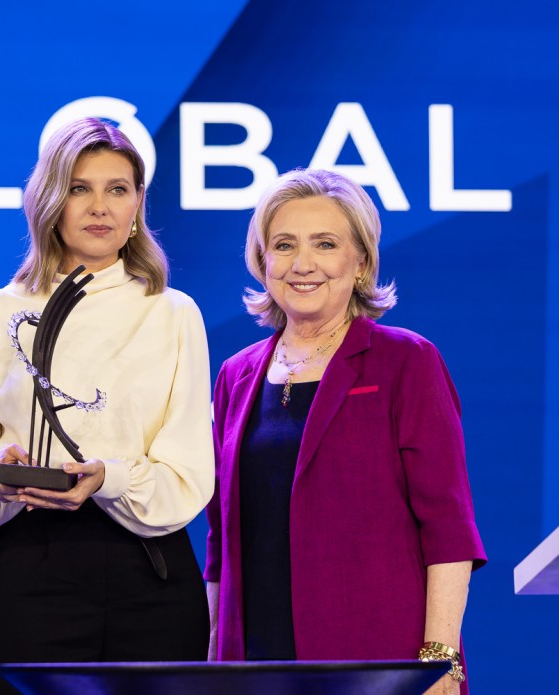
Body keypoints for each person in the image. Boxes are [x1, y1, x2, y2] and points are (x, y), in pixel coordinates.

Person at [0, 118, 215, 694]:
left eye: (118, 189)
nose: (100, 206)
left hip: (151, 574)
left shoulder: (173, 312)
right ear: (49, 200)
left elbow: (189, 470)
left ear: (138, 202)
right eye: (80, 188)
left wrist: (109, 477)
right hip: (31, 570)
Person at [204, 168, 486, 694]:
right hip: (254, 665)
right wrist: (216, 654)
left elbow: (448, 528)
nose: (302, 264)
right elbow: (222, 539)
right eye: (284, 245)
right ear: (263, 262)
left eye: (325, 244)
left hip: (380, 661)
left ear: (359, 263)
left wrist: (440, 660)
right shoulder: (235, 375)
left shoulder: (406, 361)